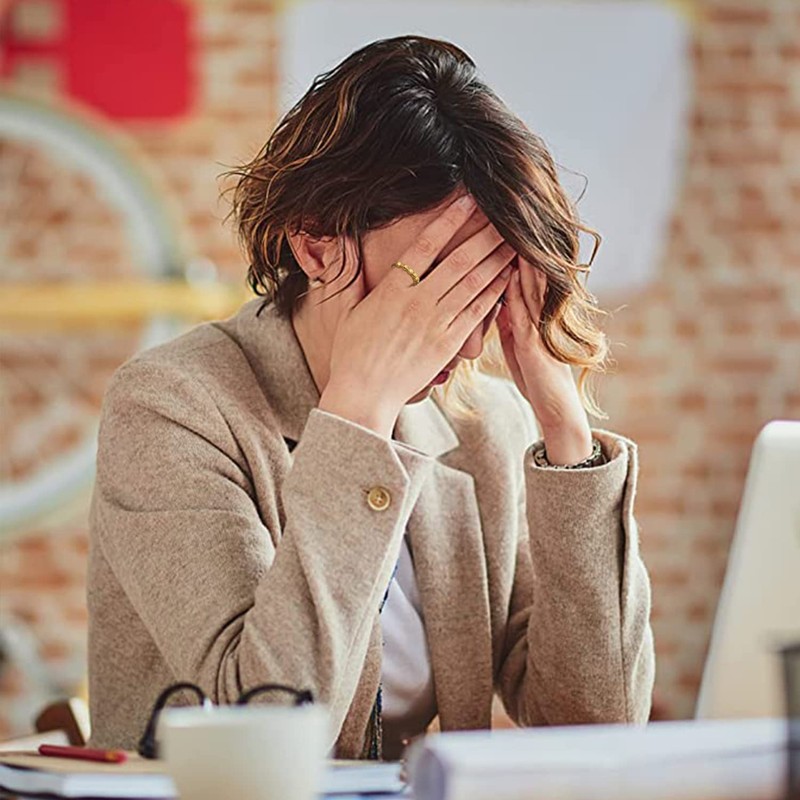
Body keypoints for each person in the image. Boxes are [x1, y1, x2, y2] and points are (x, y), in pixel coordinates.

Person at [87, 35, 655, 760]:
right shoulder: (173, 406)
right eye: (442, 277)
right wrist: (357, 415)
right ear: (318, 247)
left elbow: (596, 730)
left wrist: (564, 426)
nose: (466, 336)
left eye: (490, 282)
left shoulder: (485, 427)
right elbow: (268, 731)